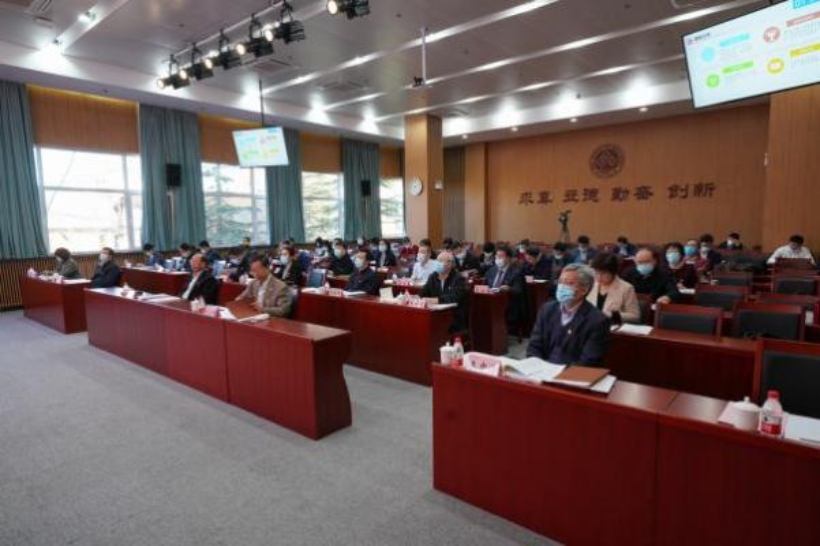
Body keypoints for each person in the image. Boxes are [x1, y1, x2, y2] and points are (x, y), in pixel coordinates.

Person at [527, 263, 610, 365]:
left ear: (584, 290)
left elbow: (588, 361)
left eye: (568, 283)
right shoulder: (547, 309)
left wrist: (559, 372)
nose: (561, 286)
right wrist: (537, 367)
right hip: (542, 369)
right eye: (560, 282)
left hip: (572, 372)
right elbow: (534, 346)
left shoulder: (597, 321)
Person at [422, 251, 469, 333]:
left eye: (440, 261)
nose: (437, 263)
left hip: (453, 317)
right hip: (436, 314)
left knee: (431, 328)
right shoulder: (433, 276)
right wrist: (415, 297)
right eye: (438, 261)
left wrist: (437, 300)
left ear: (450, 264)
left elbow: (455, 297)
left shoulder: (458, 278)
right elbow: (424, 292)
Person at [587, 253, 640, 324]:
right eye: (596, 272)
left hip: (612, 326)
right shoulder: (592, 285)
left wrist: (612, 315)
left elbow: (635, 316)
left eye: (604, 273)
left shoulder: (626, 288)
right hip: (592, 325)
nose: (599, 277)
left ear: (613, 272)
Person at [484, 244, 525, 329]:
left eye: (501, 256)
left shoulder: (516, 272)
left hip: (507, 306)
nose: (498, 258)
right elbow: (485, 286)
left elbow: (518, 290)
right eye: (496, 256)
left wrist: (508, 288)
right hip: (491, 303)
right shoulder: (491, 271)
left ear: (508, 258)